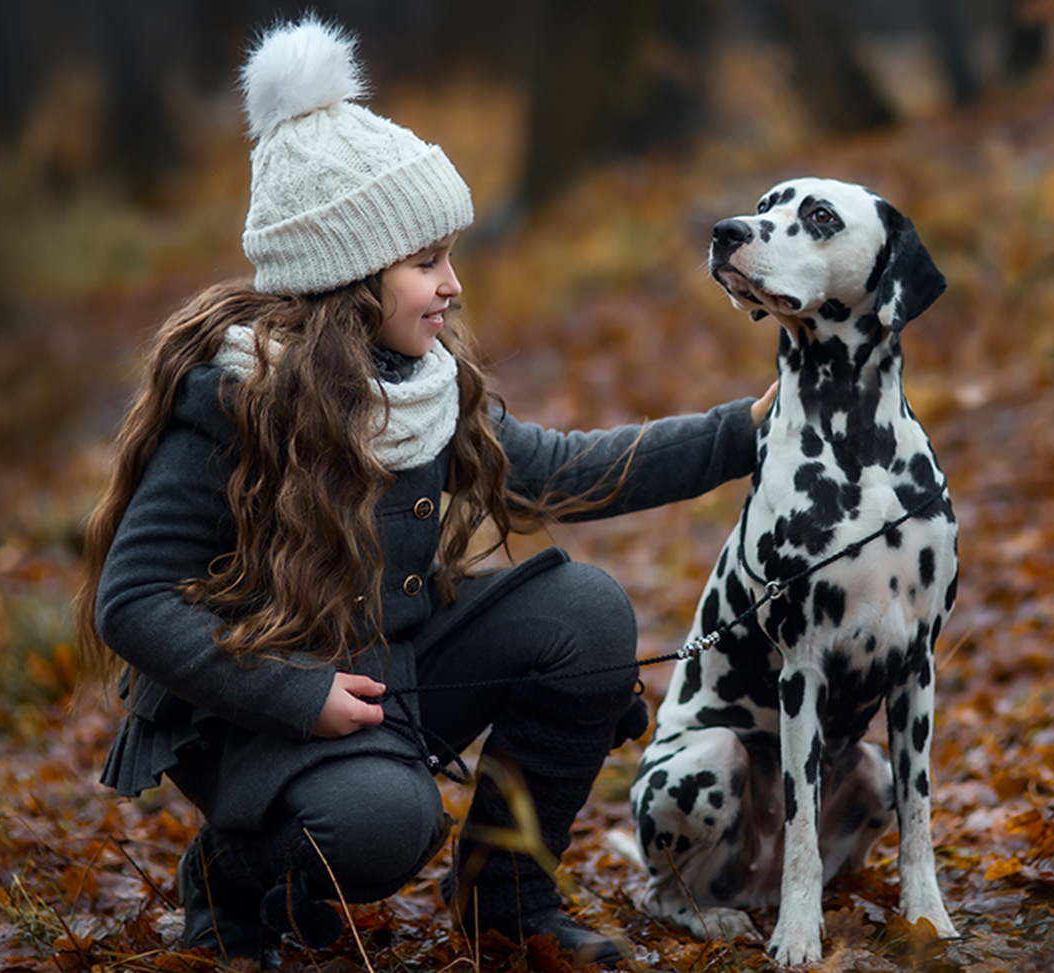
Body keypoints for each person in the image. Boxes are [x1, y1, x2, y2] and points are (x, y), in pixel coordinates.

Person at [73, 15, 773, 968]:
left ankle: (508, 900)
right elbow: (131, 600)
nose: (451, 286)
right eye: (426, 262)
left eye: (448, 257)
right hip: (260, 709)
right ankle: (232, 875)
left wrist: (747, 432)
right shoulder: (239, 401)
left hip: (390, 670)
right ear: (350, 278)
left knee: (587, 616)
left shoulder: (419, 383)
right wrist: (296, 693)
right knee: (381, 824)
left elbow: (559, 468)